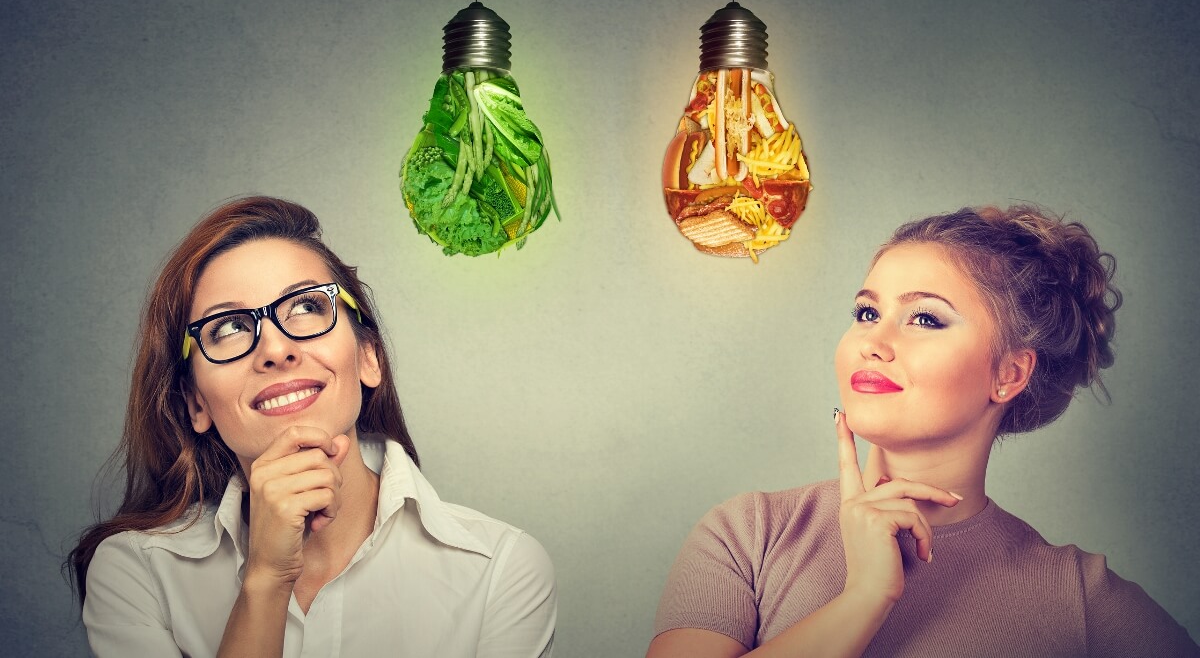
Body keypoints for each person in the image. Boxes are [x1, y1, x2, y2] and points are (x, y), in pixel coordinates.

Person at [648, 205, 1199, 657]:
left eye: (925, 319)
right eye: (866, 313)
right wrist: (863, 598)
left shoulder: (1081, 601)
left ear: (1009, 374)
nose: (872, 341)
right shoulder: (750, 535)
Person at [67, 196, 556, 657]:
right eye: (229, 327)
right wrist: (266, 579)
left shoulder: (500, 568)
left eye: (305, 306)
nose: (276, 349)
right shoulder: (137, 573)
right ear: (196, 403)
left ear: (368, 357)